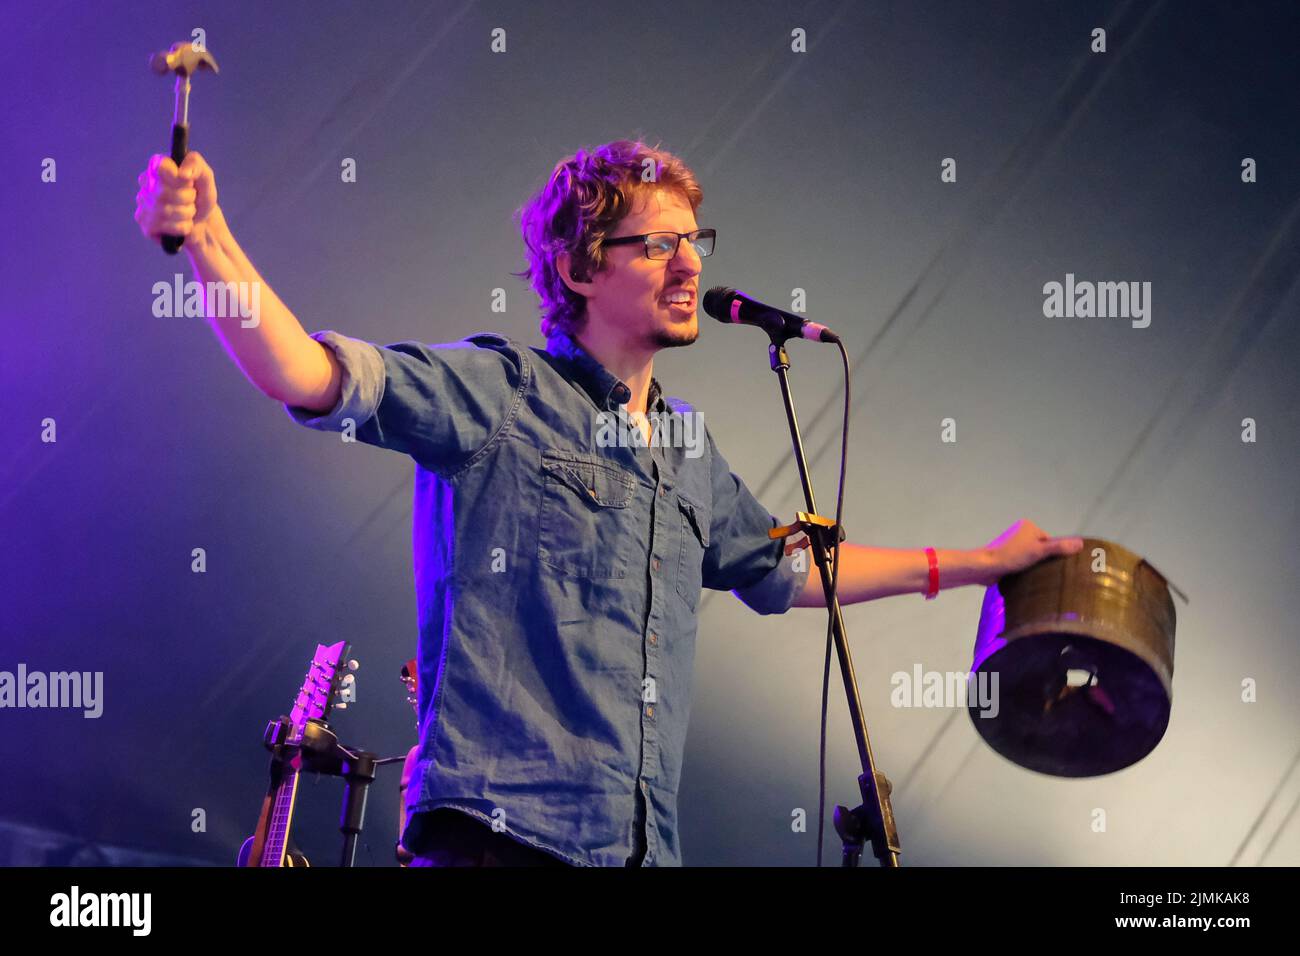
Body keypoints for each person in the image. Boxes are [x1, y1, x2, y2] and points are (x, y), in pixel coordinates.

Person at [134, 138, 1083, 866]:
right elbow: (309, 373)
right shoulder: (501, 392)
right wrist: (209, 239)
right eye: (659, 245)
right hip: (498, 836)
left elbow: (793, 573)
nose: (690, 265)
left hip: (636, 849)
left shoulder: (688, 448)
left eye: (695, 243)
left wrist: (977, 566)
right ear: (582, 265)